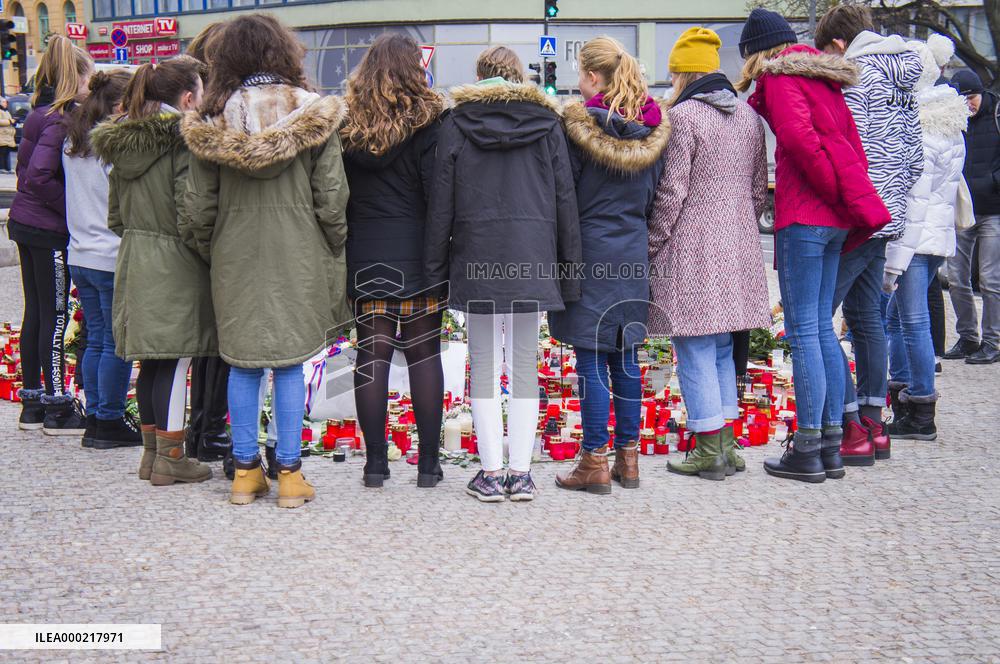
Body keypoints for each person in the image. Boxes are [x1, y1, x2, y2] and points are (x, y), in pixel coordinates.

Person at [181, 14, 350, 508]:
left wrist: (214, 249)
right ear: (284, 53)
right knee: (291, 364)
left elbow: (197, 206)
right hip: (297, 253)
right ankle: (291, 476)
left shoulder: (212, 123)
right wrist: (331, 243)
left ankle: (244, 473)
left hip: (234, 256)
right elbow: (332, 196)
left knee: (243, 364)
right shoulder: (314, 115)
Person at [737, 8, 890, 483]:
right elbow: (846, 145)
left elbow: (802, 144)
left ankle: (808, 447)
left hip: (806, 216)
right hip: (834, 220)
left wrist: (828, 191)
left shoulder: (782, 78)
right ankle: (827, 442)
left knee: (804, 330)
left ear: (761, 50)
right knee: (820, 327)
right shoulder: (821, 79)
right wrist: (842, 200)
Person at [426, 46, 581, 502]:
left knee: (485, 366)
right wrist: (569, 270)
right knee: (525, 365)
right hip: (532, 255)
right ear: (519, 76)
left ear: (480, 77)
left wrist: (436, 268)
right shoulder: (548, 123)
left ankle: (491, 473)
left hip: (477, 253)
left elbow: (442, 202)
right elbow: (564, 200)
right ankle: (522, 473)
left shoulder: (457, 123)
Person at [646, 27, 771, 481]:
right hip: (738, 246)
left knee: (693, 346)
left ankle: (707, 448)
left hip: (692, 248)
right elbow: (759, 188)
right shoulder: (748, 118)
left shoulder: (684, 118)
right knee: (720, 345)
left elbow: (672, 192)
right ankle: (727, 442)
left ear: (682, 74)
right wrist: (735, 222)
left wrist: (651, 243)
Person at [548, 36, 669, 494]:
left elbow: (565, 196)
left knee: (591, 357)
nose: (577, 84)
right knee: (625, 356)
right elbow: (655, 198)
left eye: (580, 74)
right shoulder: (654, 133)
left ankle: (594, 461)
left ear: (594, 77)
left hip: (589, 253)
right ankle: (629, 458)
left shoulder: (577, 132)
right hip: (632, 253)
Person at [91, 56, 216, 486]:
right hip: (175, 260)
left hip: (136, 255)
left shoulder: (122, 141)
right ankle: (172, 458)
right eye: (200, 91)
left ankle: (151, 455)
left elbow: (115, 218)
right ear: (186, 98)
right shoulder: (181, 139)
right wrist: (207, 252)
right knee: (178, 360)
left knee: (152, 363)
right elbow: (192, 210)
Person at [814, 4, 923, 461]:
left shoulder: (856, 77)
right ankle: (875, 423)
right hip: (888, 214)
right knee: (867, 322)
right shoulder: (903, 79)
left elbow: (843, 146)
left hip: (857, 214)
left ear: (839, 44)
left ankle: (848, 425)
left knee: (816, 321)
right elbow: (915, 157)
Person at [341, 33, 446, 489]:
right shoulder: (432, 125)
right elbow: (437, 195)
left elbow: (340, 198)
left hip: (367, 254)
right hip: (419, 254)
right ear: (414, 71)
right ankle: (427, 465)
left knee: (372, 356)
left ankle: (375, 465)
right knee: (424, 355)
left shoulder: (346, 128)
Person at [882, 36, 968, 442]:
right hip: (935, 236)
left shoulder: (922, 126)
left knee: (912, 320)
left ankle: (920, 408)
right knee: (899, 318)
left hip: (916, 237)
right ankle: (903, 397)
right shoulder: (949, 123)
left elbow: (913, 192)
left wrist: (896, 244)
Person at [8, 35, 93, 435]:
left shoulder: (41, 113)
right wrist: (72, 209)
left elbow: (27, 174)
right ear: (74, 79)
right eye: (88, 78)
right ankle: (59, 405)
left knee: (36, 314)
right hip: (48, 230)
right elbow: (40, 176)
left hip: (27, 224)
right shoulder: (61, 120)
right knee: (56, 317)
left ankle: (33, 402)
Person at [62, 68, 142, 450]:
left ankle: (96, 416)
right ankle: (108, 420)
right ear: (120, 105)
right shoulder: (114, 145)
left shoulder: (74, 141)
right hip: (111, 254)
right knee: (115, 343)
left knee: (95, 340)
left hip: (80, 251)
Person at [183, 21, 234, 467]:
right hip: (218, 243)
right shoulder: (216, 108)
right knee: (219, 342)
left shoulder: (197, 102)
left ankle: (202, 429)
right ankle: (211, 430)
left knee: (206, 343)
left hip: (200, 244)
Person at [945, 69, 1000, 365]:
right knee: (955, 278)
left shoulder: (997, 115)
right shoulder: (955, 120)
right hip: (963, 210)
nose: (969, 105)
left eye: (973, 98)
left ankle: (993, 341)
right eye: (963, 100)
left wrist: (993, 181)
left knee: (991, 280)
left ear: (982, 92)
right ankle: (968, 337)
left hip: (994, 210)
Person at [0, 97, 16, 172]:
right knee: (2, 152)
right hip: (2, 135)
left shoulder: (6, 111)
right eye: (4, 102)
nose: (6, 104)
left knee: (7, 152)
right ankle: (2, 168)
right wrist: (10, 121)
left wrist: (13, 122)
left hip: (8, 135)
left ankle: (7, 168)